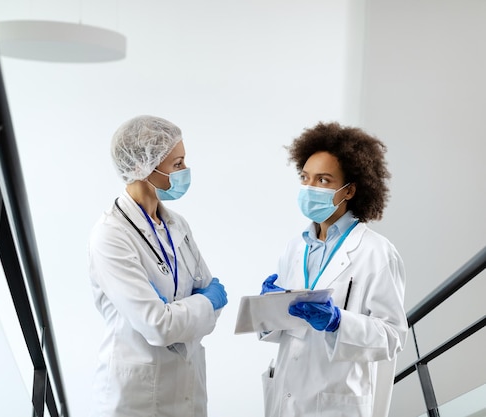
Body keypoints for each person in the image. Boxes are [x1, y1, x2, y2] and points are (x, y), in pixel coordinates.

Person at [258, 122, 408, 417]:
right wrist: (268, 310)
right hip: (287, 393)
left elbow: (392, 336)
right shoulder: (296, 247)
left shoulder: (376, 252)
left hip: (337, 401)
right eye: (305, 178)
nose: (310, 188)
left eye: (323, 180)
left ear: (349, 190)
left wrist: (339, 322)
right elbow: (287, 332)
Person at [88, 115, 228, 417]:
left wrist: (184, 309)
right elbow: (158, 327)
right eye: (177, 164)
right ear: (143, 165)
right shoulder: (111, 234)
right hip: (136, 396)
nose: (185, 172)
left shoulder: (177, 224)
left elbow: (211, 301)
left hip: (187, 384)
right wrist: (202, 302)